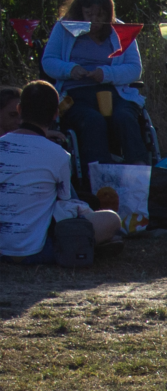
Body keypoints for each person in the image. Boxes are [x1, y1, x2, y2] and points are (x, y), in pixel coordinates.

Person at [1, 81, 122, 264]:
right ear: (56, 114)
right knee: (111, 219)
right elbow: (66, 204)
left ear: (19, 109)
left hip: (2, 249)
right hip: (38, 250)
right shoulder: (59, 155)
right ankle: (87, 243)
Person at [40, 0, 148, 166]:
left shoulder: (120, 30)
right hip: (76, 95)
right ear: (79, 11)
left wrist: (106, 73)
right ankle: (100, 174)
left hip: (114, 93)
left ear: (109, 13)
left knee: (125, 118)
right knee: (92, 120)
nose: (94, 21)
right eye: (89, 14)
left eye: (100, 15)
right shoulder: (64, 28)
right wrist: (70, 69)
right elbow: (48, 61)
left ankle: (139, 171)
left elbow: (134, 68)